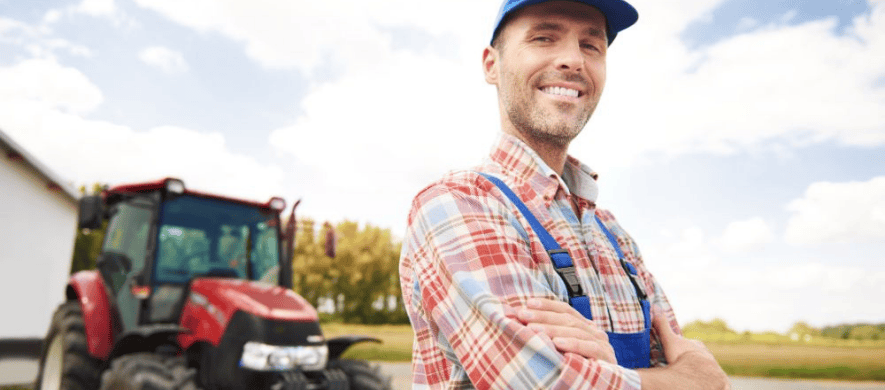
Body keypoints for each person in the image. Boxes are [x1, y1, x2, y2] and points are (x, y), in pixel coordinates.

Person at [398, 0, 730, 388]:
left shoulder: (615, 236)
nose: (573, 60)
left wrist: (606, 373)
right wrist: (683, 381)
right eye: (543, 37)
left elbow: (678, 358)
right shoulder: (456, 204)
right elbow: (544, 384)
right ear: (492, 65)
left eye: (592, 46)